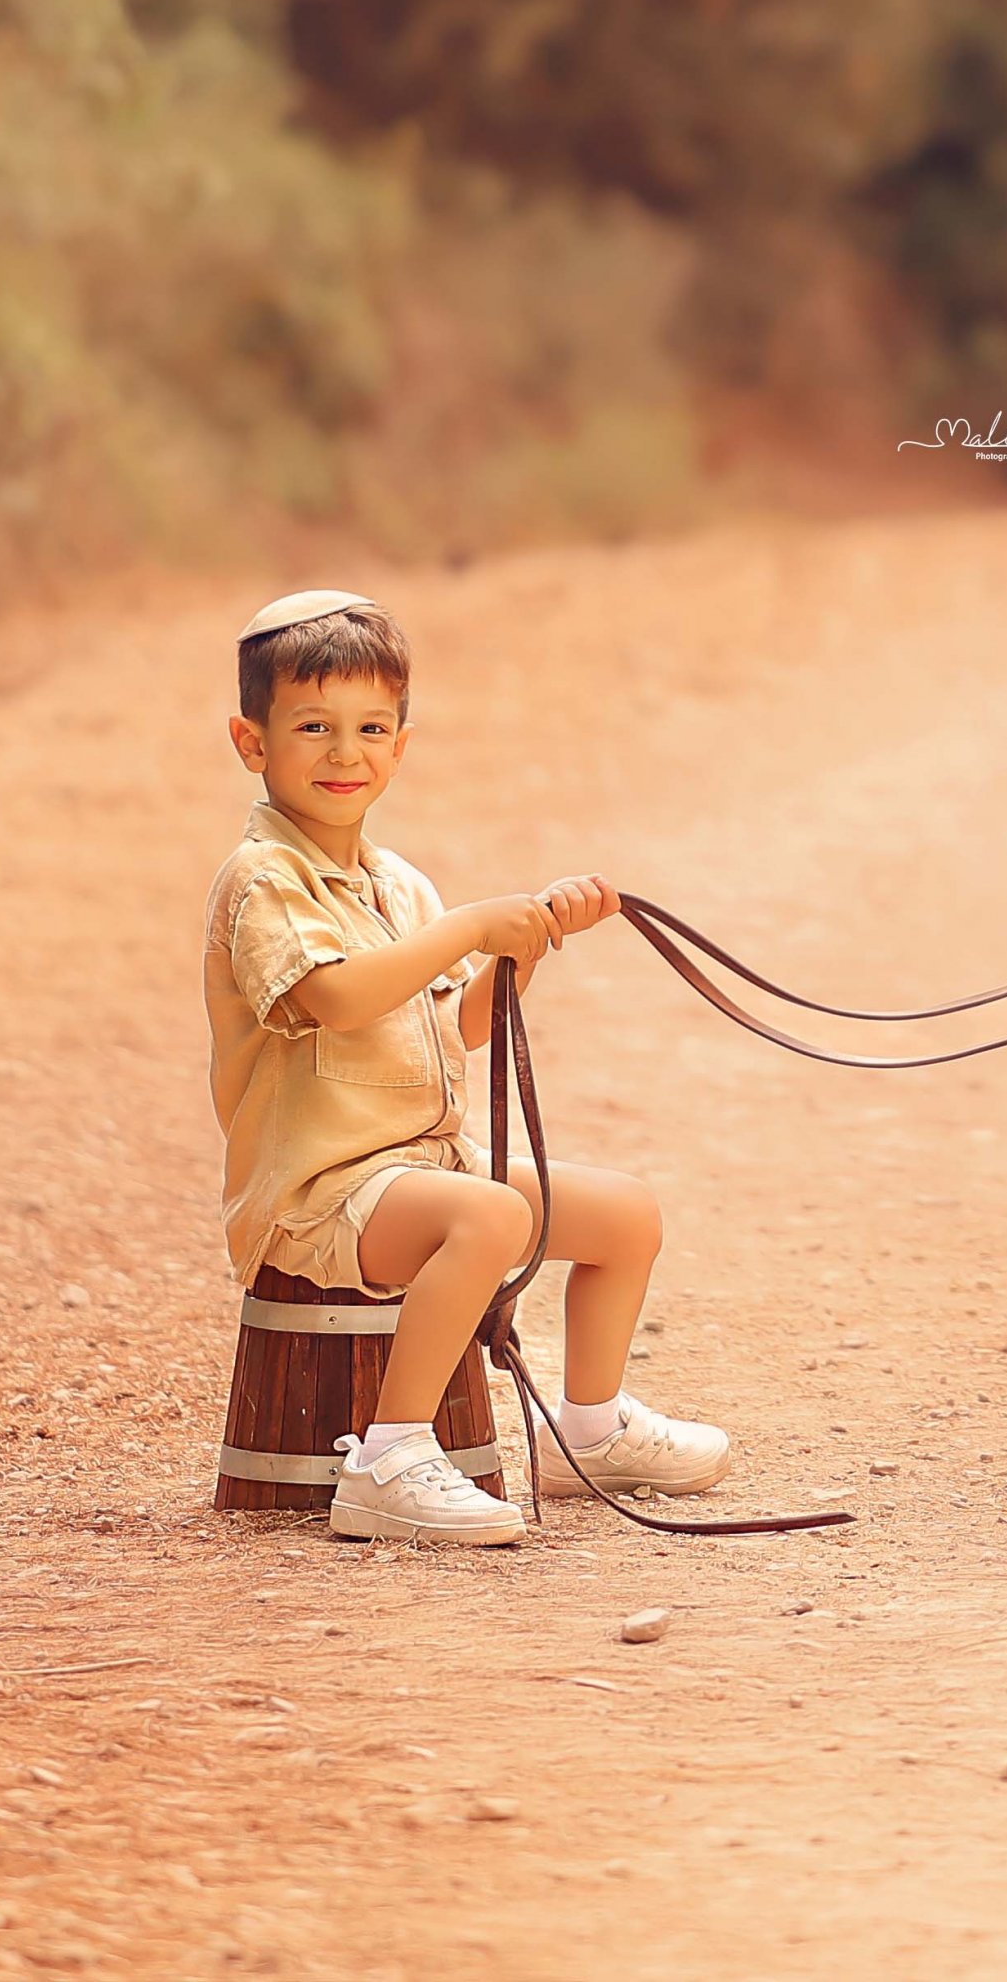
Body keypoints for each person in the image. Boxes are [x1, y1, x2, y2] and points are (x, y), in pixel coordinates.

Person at [201, 587, 732, 1546]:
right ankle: (387, 1457)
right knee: (491, 1213)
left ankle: (592, 1427)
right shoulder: (260, 880)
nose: (344, 752)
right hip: (321, 1194)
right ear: (253, 742)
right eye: (312, 726)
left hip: (420, 1174)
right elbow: (337, 998)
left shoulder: (400, 884)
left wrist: (518, 947)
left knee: (624, 1213)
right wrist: (466, 927)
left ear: (400, 746)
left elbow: (458, 1030)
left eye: (370, 728)